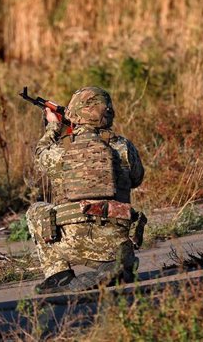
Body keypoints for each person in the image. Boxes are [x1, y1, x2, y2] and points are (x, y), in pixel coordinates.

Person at [26, 86, 145, 294]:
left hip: (72, 244)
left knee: (36, 210)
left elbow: (39, 156)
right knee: (117, 228)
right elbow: (137, 179)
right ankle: (117, 261)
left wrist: (53, 127)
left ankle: (58, 275)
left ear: (75, 113)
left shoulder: (61, 150)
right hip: (116, 240)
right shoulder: (124, 147)